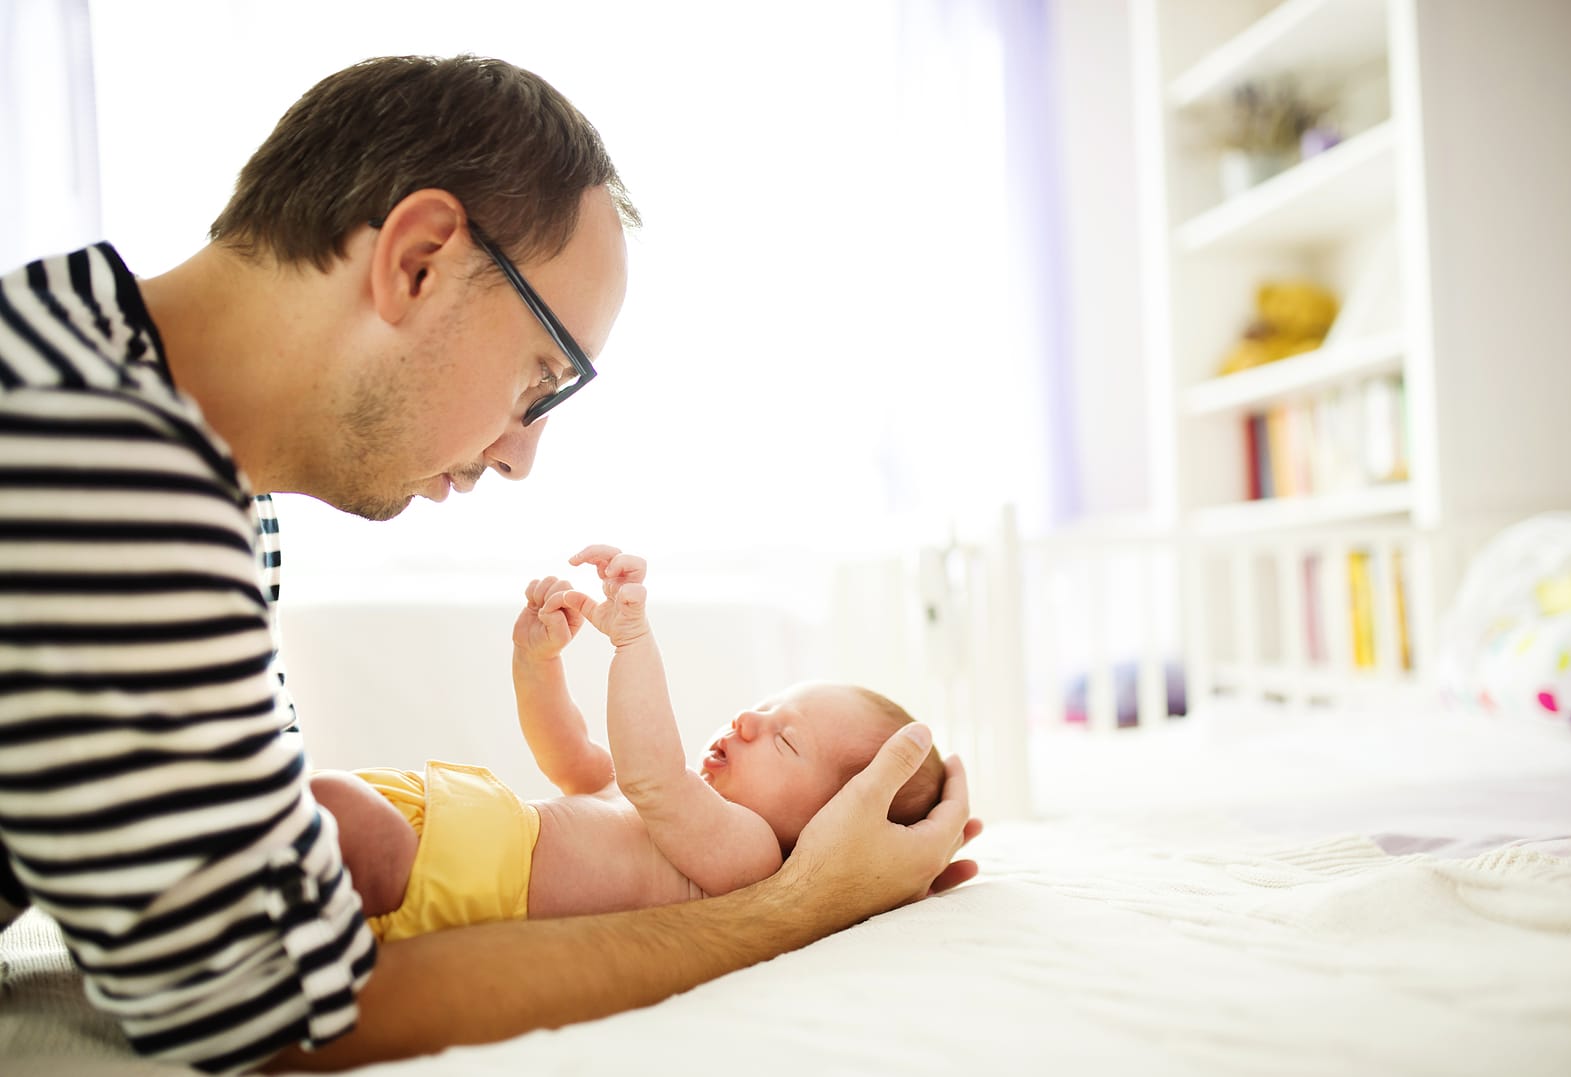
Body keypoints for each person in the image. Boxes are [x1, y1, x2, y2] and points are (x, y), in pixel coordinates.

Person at [0, 54, 976, 1073]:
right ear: (417, 259)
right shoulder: (100, 460)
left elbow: (249, 900)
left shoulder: (149, 434)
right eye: (539, 379)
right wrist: (797, 908)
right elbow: (280, 1016)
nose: (519, 456)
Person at [310, 545, 946, 938]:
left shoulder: (750, 857)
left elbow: (652, 777)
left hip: (472, 879)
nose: (748, 723)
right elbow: (567, 754)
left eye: (785, 742)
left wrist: (633, 642)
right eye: (764, 707)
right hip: (455, 828)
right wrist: (538, 665)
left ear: (827, 822)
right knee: (323, 806)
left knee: (329, 810)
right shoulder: (679, 812)